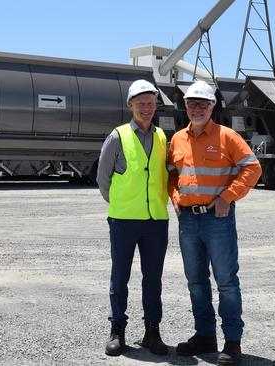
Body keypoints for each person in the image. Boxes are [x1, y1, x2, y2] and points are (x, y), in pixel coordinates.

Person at [167, 80, 261, 366]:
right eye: (192, 104)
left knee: (226, 282)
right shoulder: (177, 139)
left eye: (202, 104)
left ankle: (232, 342)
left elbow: (253, 168)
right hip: (188, 221)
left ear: (212, 107)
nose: (196, 108)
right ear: (185, 107)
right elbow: (172, 174)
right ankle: (205, 336)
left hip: (217, 219)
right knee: (196, 282)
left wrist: (227, 198)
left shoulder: (227, 136)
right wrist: (175, 197)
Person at [96, 79, 170, 357]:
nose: (147, 108)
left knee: (153, 279)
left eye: (151, 103)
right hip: (124, 220)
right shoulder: (117, 137)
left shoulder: (162, 137)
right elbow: (103, 179)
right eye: (141, 104)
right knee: (120, 276)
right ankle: (117, 330)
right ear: (130, 106)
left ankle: (153, 331)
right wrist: (119, 203)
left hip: (156, 221)